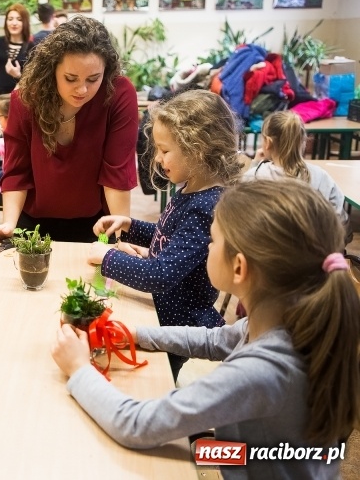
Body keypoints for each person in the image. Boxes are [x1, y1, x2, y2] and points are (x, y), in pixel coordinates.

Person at [52, 179, 359, 479]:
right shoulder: (284, 321)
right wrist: (133, 335)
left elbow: (137, 425)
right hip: (264, 454)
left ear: (239, 268)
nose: (206, 247)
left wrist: (79, 370)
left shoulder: (261, 371)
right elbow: (213, 340)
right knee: (188, 446)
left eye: (213, 241)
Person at [88, 90, 243, 379]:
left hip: (180, 329)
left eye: (165, 150)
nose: (158, 159)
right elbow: (168, 235)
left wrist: (107, 257)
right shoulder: (191, 188)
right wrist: (129, 225)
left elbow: (159, 275)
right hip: (163, 315)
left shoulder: (205, 207)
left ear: (198, 148)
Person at [0, 16, 138, 245]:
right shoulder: (26, 99)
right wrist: (9, 223)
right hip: (32, 220)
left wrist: (120, 235)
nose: (82, 89)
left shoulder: (118, 93)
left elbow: (117, 172)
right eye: (70, 78)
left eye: (93, 79)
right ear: (52, 69)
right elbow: (16, 170)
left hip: (95, 222)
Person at [243, 110, 352, 243]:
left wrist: (255, 164)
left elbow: (241, 216)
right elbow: (340, 222)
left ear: (267, 142)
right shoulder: (322, 176)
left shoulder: (254, 176)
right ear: (302, 141)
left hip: (268, 256)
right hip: (315, 255)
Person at [0, 4, 34, 108]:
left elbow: (34, 79)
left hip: (20, 97)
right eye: (10, 19)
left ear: (25, 23)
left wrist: (18, 75)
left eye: (19, 19)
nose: (14, 23)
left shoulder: (31, 47)